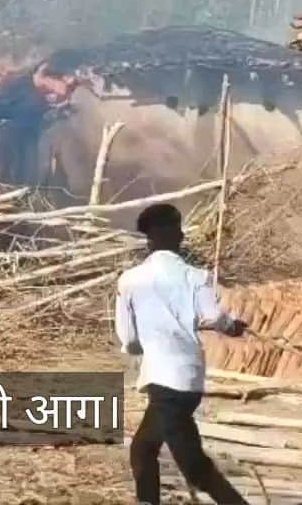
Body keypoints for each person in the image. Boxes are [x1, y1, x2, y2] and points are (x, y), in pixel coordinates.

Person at [115, 203, 250, 505]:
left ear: (148, 240)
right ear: (179, 237)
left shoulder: (130, 280)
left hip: (163, 382)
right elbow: (215, 317)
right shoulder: (196, 276)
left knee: (195, 468)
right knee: (143, 450)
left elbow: (129, 339)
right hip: (189, 380)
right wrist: (233, 328)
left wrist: (146, 346)